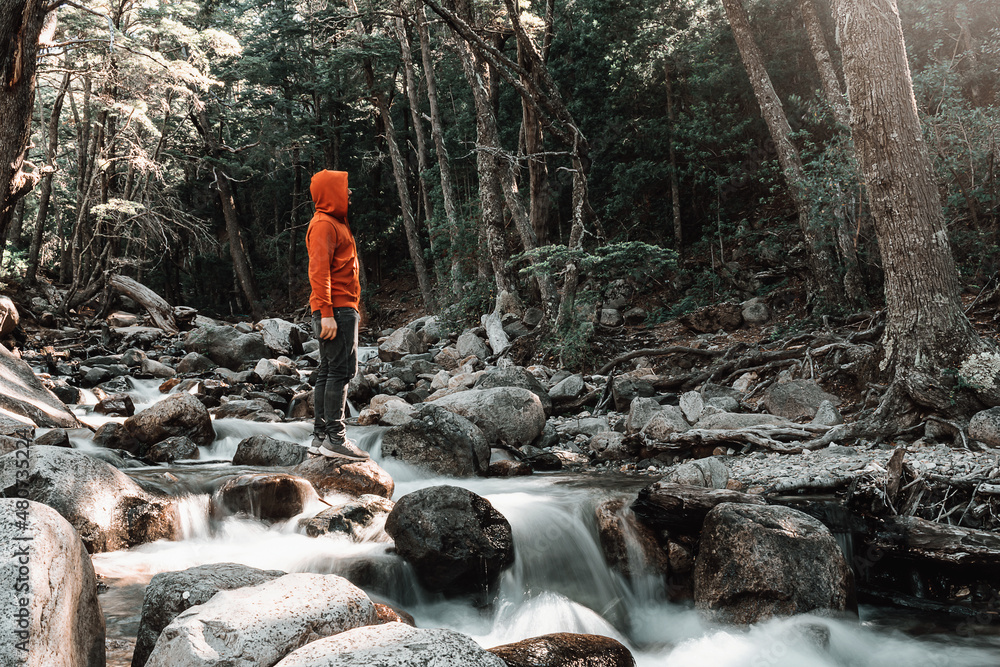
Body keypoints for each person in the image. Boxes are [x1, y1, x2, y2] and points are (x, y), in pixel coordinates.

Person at [305, 169, 369, 461]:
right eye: (345, 188)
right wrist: (327, 313)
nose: (350, 193)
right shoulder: (323, 225)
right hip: (335, 310)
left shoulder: (335, 223)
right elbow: (318, 271)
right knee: (341, 372)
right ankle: (335, 439)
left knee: (329, 371)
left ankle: (320, 437)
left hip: (341, 308)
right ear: (331, 193)